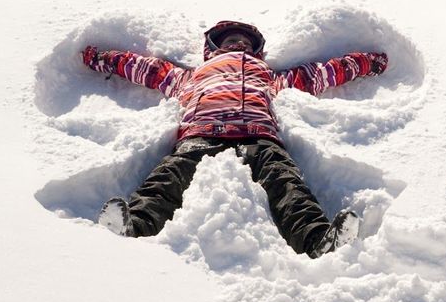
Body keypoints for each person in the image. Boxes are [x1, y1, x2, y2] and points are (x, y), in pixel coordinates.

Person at [81, 20, 388, 258]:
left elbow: (322, 73)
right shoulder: (191, 76)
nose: (239, 43)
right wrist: (100, 58)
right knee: (166, 180)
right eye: (230, 40)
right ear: (213, 48)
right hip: (201, 134)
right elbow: (143, 68)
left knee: (287, 185)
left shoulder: (269, 76)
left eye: (245, 42)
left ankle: (319, 240)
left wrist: (366, 62)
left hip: (260, 137)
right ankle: (132, 228)